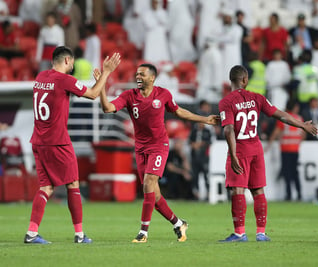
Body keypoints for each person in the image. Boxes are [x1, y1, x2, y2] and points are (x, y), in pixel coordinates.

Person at [97, 63, 219, 243]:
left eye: (142, 74)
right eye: (137, 74)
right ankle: (178, 223)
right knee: (154, 195)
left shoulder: (163, 94)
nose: (138, 77)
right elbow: (107, 108)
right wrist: (102, 82)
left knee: (148, 183)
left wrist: (204, 120)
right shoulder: (129, 96)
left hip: (159, 146)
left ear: (152, 78)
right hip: (140, 149)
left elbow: (180, 112)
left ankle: (143, 232)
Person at [24, 46, 121, 244]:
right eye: (73, 62)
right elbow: (94, 94)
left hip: (38, 141)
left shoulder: (41, 77)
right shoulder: (64, 80)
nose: (73, 66)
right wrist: (107, 72)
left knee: (46, 187)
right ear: (67, 60)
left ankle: (32, 233)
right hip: (57, 141)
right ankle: (79, 235)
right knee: (73, 184)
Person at [218, 65, 317, 242]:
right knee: (258, 191)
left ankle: (240, 233)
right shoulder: (257, 98)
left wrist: (233, 155)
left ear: (231, 80)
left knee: (238, 190)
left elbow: (228, 130)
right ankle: (261, 233)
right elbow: (280, 115)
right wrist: (302, 125)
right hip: (256, 148)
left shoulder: (226, 102)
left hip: (240, 149)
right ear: (245, 80)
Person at [267, 100, 305, 201]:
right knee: (295, 173)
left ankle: (288, 195)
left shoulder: (284, 118)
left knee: (287, 173)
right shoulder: (299, 119)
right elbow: (303, 134)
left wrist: (268, 145)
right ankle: (299, 194)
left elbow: (276, 133)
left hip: (285, 149)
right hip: (295, 150)